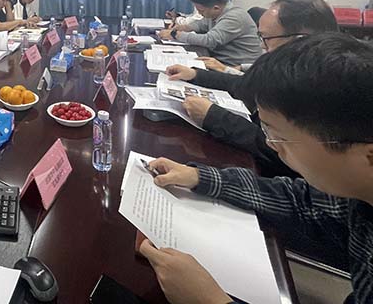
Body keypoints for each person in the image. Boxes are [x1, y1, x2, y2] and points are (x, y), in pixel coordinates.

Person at [140, 33, 373, 304]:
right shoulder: (356, 188)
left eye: (279, 137)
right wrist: (199, 176)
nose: (272, 145)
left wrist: (212, 301)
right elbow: (301, 200)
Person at [166, 0, 339, 177]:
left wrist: (214, 117)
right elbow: (245, 85)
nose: (262, 47)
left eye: (266, 38)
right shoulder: (297, 66)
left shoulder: (320, 83)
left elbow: (280, 152)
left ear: (298, 39)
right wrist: (196, 75)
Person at [158, 0, 263, 66]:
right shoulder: (216, 12)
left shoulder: (234, 17)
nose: (200, 14)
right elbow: (201, 24)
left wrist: (175, 34)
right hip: (219, 59)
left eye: (201, 11)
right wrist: (186, 27)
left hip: (235, 66)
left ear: (216, 8)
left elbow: (210, 40)